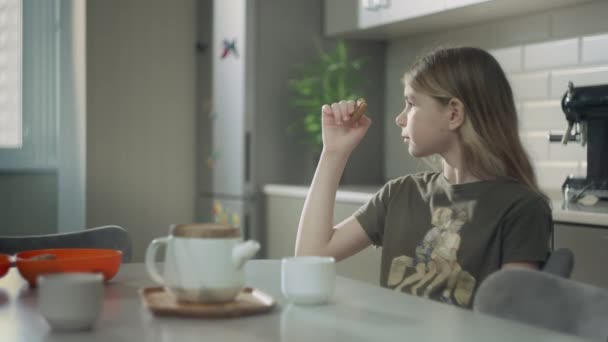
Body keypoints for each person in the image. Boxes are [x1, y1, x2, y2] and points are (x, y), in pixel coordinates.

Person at [294, 46, 552, 308]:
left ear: (454, 113)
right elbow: (310, 255)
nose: (400, 118)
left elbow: (513, 318)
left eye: (411, 103)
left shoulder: (522, 209)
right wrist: (334, 153)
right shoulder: (400, 194)